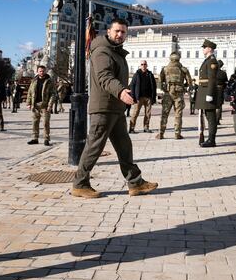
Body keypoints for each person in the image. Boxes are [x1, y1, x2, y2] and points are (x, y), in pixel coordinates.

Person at [71, 18, 158, 198]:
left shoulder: (115, 51)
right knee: (94, 146)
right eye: (117, 31)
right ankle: (80, 184)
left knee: (124, 146)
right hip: (103, 108)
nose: (120, 35)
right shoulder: (102, 51)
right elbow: (104, 77)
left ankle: (135, 183)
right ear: (109, 31)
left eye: (123, 32)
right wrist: (120, 92)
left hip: (115, 109)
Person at [156, 52, 192, 140]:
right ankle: (177, 134)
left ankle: (161, 133)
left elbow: (159, 82)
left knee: (164, 114)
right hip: (179, 94)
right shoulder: (183, 69)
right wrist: (185, 88)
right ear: (179, 58)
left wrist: (164, 89)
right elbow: (189, 83)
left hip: (168, 93)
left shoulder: (165, 69)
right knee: (178, 114)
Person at [196, 39, 220, 147]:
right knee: (208, 115)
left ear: (209, 49)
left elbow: (212, 79)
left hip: (207, 92)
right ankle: (209, 139)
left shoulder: (212, 61)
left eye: (204, 47)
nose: (203, 49)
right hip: (204, 91)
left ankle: (211, 140)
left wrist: (210, 94)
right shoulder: (207, 60)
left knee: (211, 117)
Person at [26, 65, 55, 146]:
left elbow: (53, 94)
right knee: (35, 122)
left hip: (45, 106)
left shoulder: (49, 81)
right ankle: (35, 138)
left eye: (43, 71)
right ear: (37, 71)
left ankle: (46, 139)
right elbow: (30, 92)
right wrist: (28, 103)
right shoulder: (34, 81)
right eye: (40, 71)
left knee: (46, 123)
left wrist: (50, 105)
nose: (41, 72)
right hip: (35, 106)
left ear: (45, 71)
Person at [129, 60, 157, 134]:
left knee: (148, 114)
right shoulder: (137, 74)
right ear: (140, 66)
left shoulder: (150, 74)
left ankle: (146, 127)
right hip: (139, 98)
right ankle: (131, 128)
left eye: (145, 64)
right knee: (135, 113)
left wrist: (153, 97)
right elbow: (132, 85)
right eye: (142, 64)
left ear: (147, 65)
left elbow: (154, 86)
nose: (143, 65)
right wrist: (133, 97)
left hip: (148, 98)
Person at [215, 60, 228, 125]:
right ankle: (217, 120)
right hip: (220, 90)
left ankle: (213, 120)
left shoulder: (213, 72)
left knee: (213, 105)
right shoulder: (223, 73)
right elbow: (226, 82)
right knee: (219, 106)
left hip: (213, 89)